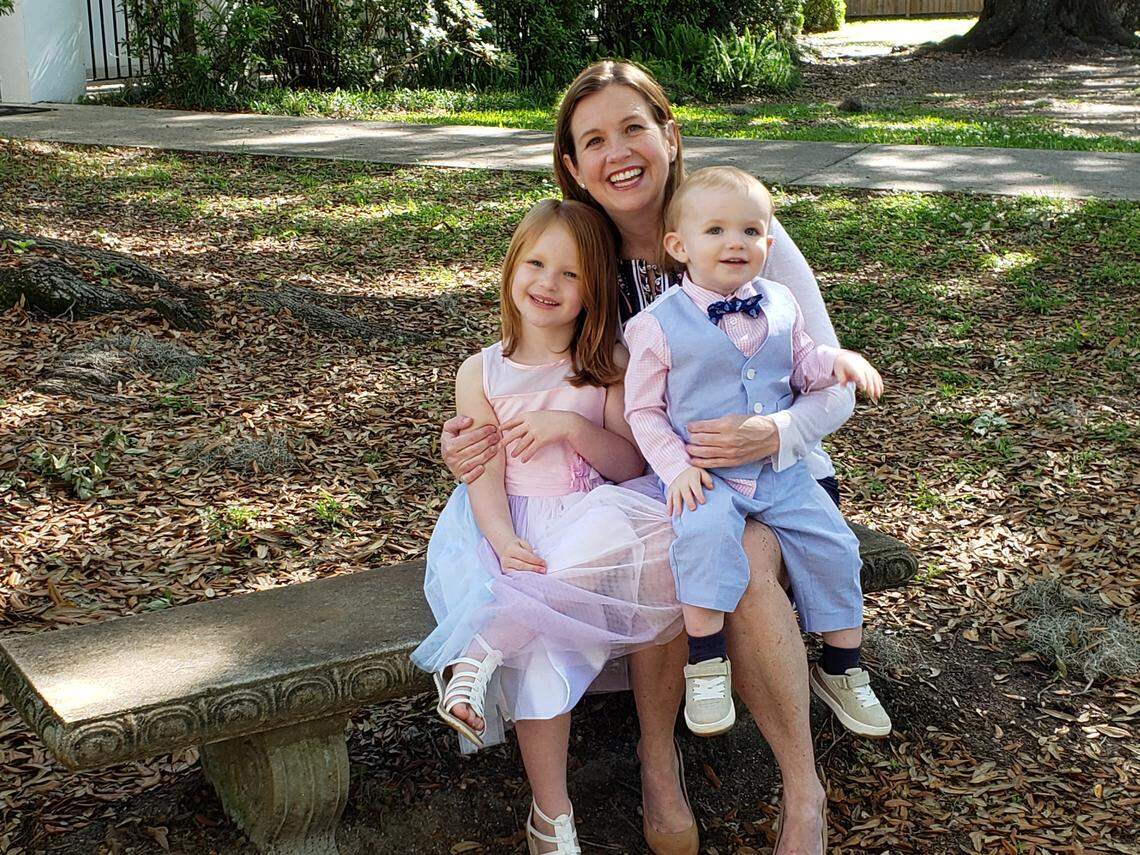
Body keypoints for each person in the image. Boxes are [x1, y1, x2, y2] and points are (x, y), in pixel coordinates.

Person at [441, 60, 860, 855]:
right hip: (627, 473)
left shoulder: (735, 224)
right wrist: (466, 435)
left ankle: (801, 791)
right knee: (670, 529)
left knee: (733, 549)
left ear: (669, 134)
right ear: (572, 164)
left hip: (774, 475)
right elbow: (523, 372)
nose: (618, 152)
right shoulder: (581, 248)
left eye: (634, 127)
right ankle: (657, 760)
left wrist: (774, 434)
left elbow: (833, 381)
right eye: (592, 139)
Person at [412, 198, 684, 854]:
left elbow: (626, 464)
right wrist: (504, 541)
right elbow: (481, 473)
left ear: (593, 289)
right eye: (535, 263)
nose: (548, 283)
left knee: (638, 524)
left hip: (592, 519)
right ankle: (552, 816)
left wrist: (570, 425)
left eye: (569, 274)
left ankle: (482, 648)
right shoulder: (481, 372)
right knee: (538, 656)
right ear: (510, 270)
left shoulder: (607, 365)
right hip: (514, 523)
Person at [624, 166, 889, 749]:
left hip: (780, 471)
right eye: (715, 230)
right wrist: (676, 468)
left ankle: (842, 665)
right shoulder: (655, 326)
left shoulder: (783, 303)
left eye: (750, 230)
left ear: (770, 242)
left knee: (832, 541)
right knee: (703, 537)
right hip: (707, 474)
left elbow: (802, 364)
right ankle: (707, 662)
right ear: (679, 247)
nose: (735, 243)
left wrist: (835, 363)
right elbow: (641, 411)